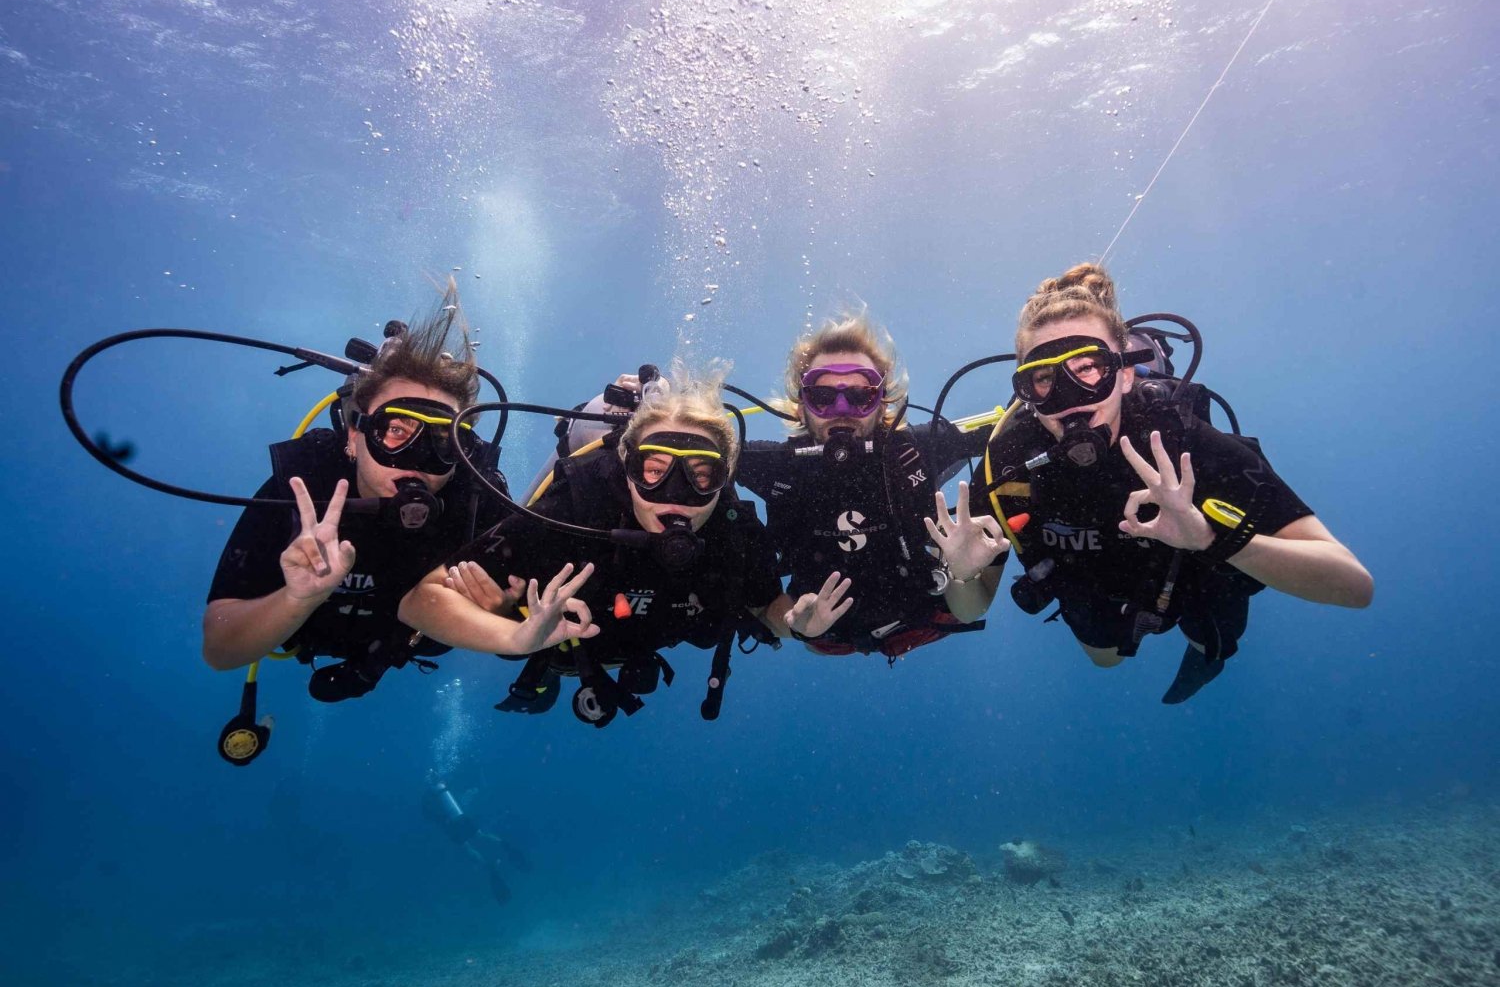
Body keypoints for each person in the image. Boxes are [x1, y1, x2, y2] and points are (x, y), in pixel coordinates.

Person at [954, 263, 1373, 702]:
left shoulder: (1181, 437)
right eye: (1044, 380)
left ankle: (1204, 652)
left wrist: (1212, 539)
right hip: (1093, 575)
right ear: (1026, 392)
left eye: (1089, 368)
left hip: (1195, 570)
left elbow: (1355, 586)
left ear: (1127, 373)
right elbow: (970, 608)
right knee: (1105, 658)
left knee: (1212, 640)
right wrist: (961, 577)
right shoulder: (1009, 461)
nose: (1070, 398)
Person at [202, 286, 586, 702]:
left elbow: (427, 603)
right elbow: (220, 650)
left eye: (443, 442)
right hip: (304, 633)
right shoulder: (304, 485)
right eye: (396, 431)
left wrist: (510, 623)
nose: (416, 461)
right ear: (354, 433)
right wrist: (297, 598)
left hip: (407, 643)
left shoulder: (475, 497)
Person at [399, 365, 788, 727]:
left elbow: (770, 609)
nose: (674, 495)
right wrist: (512, 637)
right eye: (653, 471)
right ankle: (543, 669)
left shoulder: (733, 529)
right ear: (627, 468)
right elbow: (419, 601)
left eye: (702, 477)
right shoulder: (576, 508)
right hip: (556, 644)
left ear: (724, 478)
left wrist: (798, 624)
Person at [733, 313, 993, 661]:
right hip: (824, 635)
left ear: (882, 402)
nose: (842, 411)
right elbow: (692, 453)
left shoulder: (914, 451)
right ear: (801, 406)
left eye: (860, 396)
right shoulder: (781, 465)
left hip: (927, 617)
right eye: (823, 396)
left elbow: (1009, 429)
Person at [423, 772, 530, 905]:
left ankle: (489, 867)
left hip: (449, 825)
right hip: (461, 817)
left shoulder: (428, 796)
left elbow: (430, 815)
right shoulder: (444, 786)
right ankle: (504, 844)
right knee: (480, 835)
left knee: (467, 847)